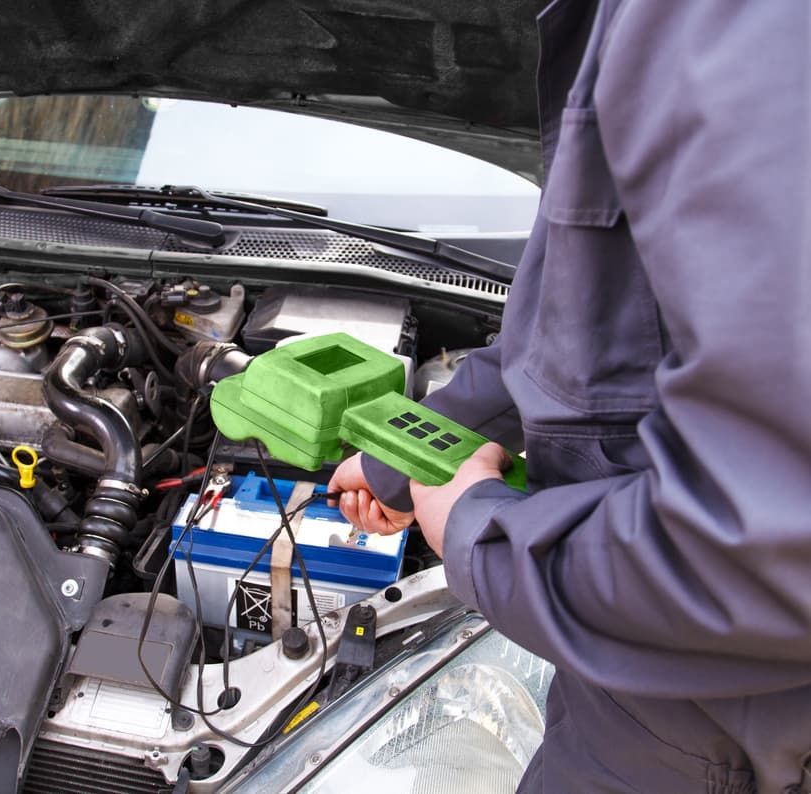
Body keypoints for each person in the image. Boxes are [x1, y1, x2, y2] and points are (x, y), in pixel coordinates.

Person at [328, 1, 810, 791]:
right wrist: (402, 456)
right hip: (651, 690)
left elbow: (772, 537)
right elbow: (585, 323)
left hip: (718, 733)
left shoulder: (730, 24)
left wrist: (479, 533)